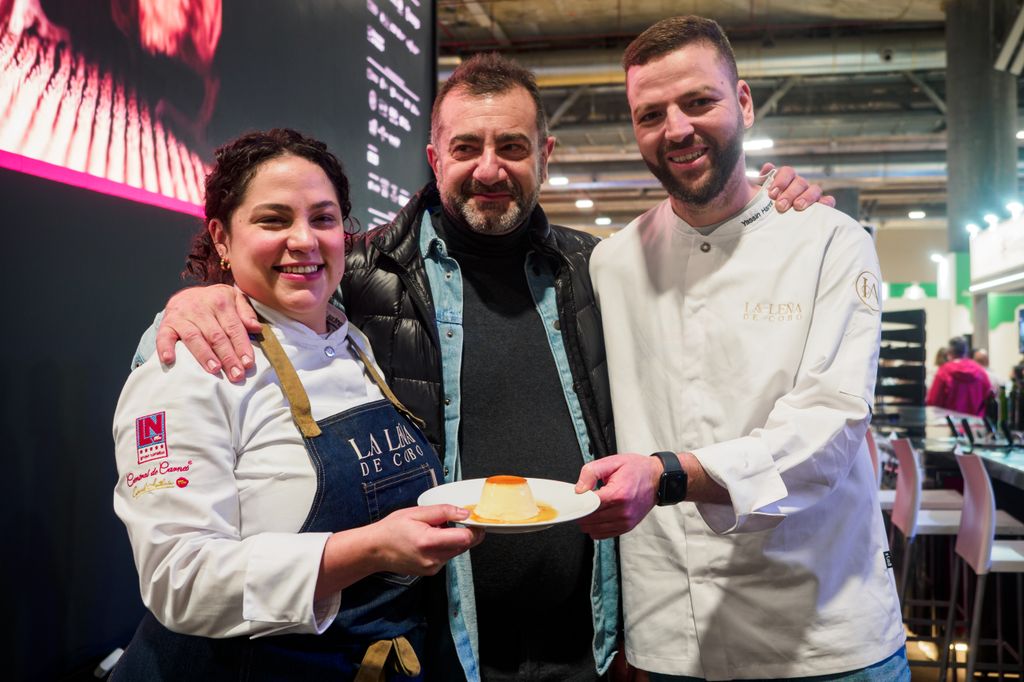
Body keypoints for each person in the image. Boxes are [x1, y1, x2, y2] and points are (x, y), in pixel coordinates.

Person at [135, 55, 828, 681]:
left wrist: (773, 205)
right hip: (442, 647)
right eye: (467, 147)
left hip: (588, 640)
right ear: (434, 156)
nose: (489, 168)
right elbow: (236, 330)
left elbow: (707, 253)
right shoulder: (366, 276)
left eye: (513, 147)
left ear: (546, 156)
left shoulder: (601, 269)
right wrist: (195, 300)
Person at [574, 16, 908, 681]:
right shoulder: (610, 264)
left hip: (824, 637)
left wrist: (670, 472)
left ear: (745, 102)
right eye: (651, 113)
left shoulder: (829, 240)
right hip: (668, 637)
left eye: (699, 102)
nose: (677, 129)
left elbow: (829, 426)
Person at [112, 129, 482, 680]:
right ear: (221, 237)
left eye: (323, 218)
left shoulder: (351, 342)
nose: (304, 240)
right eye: (273, 220)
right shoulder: (188, 367)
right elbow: (179, 581)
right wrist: (371, 548)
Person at [926, 336, 993, 417]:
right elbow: (989, 397)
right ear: (966, 353)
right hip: (976, 424)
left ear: (949, 353)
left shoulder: (944, 371)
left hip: (950, 425)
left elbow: (933, 401)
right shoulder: (980, 372)